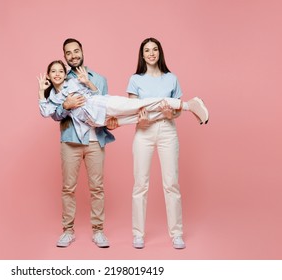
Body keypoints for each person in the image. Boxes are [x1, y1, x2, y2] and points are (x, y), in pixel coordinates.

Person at [127, 37, 204, 250]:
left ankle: (177, 233)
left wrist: (171, 113)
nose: (151, 53)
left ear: (159, 52)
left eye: (154, 50)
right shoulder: (135, 79)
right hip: (144, 131)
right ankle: (138, 234)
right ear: (142, 55)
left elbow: (175, 114)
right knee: (140, 184)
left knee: (171, 183)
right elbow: (133, 110)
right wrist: (140, 118)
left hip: (167, 131)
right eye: (147, 50)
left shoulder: (171, 78)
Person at [46, 38, 115, 248]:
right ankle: (68, 231)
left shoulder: (100, 79)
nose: (73, 55)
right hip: (71, 141)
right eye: (68, 53)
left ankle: (98, 231)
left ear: (82, 51)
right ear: (65, 57)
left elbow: (107, 107)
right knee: (68, 188)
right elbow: (54, 114)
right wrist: (65, 106)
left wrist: (111, 120)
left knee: (97, 188)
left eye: (76, 51)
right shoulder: (61, 80)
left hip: (96, 140)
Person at [38, 60, 209, 142]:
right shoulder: (53, 98)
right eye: (54, 71)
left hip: (103, 104)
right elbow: (47, 112)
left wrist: (86, 81)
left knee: (141, 104)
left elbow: (94, 92)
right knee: (140, 116)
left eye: (61, 70)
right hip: (97, 120)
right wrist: (41, 92)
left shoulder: (73, 82)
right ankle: (186, 108)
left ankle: (188, 105)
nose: (58, 74)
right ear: (49, 75)